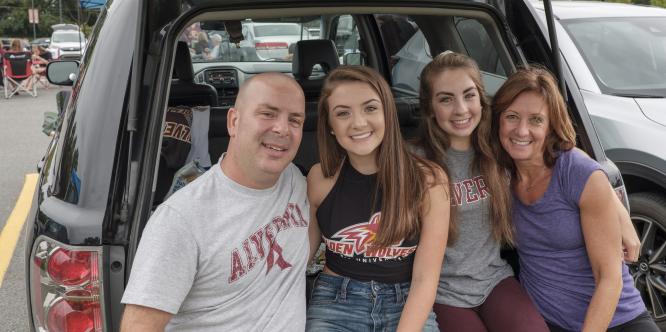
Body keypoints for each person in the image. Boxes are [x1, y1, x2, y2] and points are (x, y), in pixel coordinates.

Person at [120, 73, 310, 331]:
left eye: (295, 120)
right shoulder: (180, 219)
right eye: (267, 114)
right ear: (233, 121)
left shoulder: (295, 181)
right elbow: (140, 326)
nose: (282, 129)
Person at [491, 65, 658, 332]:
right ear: (497, 120)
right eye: (512, 116)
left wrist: (615, 209)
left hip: (617, 320)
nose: (521, 131)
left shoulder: (576, 172)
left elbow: (609, 279)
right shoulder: (496, 171)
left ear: (550, 126)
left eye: (536, 120)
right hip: (546, 320)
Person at [306, 66, 451, 331]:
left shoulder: (429, 180)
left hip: (407, 299)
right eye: (342, 113)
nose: (358, 122)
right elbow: (299, 259)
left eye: (370, 108)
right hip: (337, 299)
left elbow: (425, 279)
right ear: (329, 125)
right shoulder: (321, 178)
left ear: (387, 113)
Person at [414, 51, 548, 331]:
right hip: (441, 290)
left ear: (481, 98)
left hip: (494, 279)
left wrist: (614, 208)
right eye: (446, 99)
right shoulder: (415, 160)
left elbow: (557, 155)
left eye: (468, 95)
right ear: (430, 108)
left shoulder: (500, 148)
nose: (461, 109)